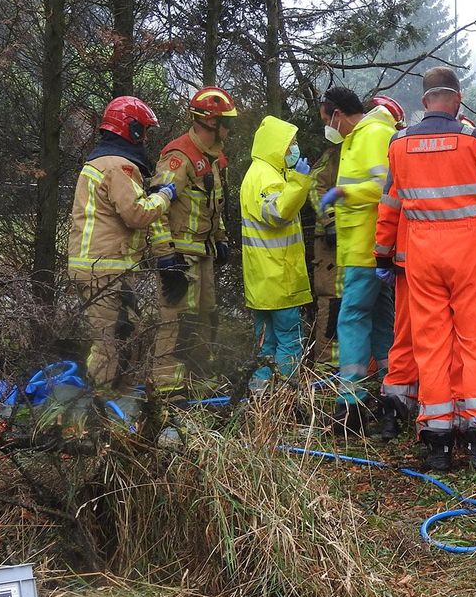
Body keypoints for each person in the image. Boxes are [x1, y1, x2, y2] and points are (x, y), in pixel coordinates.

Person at [377, 67, 476, 470]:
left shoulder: (398, 144)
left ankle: (436, 439)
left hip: (420, 253)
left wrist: (382, 256)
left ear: (424, 101)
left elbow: (390, 207)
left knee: (430, 343)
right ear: (457, 99)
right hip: (469, 250)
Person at [67, 97, 176, 403]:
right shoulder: (119, 165)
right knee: (108, 342)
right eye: (142, 130)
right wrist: (165, 196)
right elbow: (136, 214)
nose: (145, 137)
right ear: (129, 129)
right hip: (102, 268)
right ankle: (97, 412)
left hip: (105, 266)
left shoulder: (102, 162)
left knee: (129, 332)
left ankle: (119, 398)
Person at [317, 87, 396, 436]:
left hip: (368, 248)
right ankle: (395, 396)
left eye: (327, 120)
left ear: (338, 114)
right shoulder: (357, 138)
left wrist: (344, 193)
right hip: (363, 249)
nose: (328, 128)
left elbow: (388, 186)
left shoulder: (375, 134)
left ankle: (351, 405)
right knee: (381, 324)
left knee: (351, 319)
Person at [149, 86, 235, 396]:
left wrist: (221, 238)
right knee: (176, 323)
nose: (229, 128)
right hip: (180, 256)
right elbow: (157, 208)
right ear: (211, 122)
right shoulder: (178, 156)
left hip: (204, 254)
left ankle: (200, 383)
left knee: (205, 319)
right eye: (226, 121)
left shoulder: (212, 158)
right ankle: (167, 390)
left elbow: (215, 204)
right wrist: (164, 256)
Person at [240, 115, 313, 390]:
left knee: (266, 343)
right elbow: (278, 213)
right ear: (277, 146)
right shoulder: (265, 176)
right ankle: (285, 397)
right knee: (288, 340)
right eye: (290, 144)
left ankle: (261, 398)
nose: (294, 148)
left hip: (262, 280)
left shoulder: (258, 172)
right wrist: (299, 183)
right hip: (279, 278)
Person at [307, 144, 341, 376]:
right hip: (331, 244)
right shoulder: (334, 155)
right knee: (331, 301)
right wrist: (329, 222)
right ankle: (326, 369)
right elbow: (314, 186)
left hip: (355, 241)